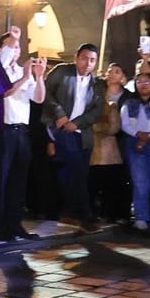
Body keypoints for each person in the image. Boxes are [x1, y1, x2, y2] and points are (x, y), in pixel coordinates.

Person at [0, 27, 45, 243]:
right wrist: (26, 75)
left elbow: (37, 98)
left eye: (18, 46)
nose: (16, 50)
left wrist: (37, 77)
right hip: (2, 131)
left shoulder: (20, 70)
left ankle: (15, 223)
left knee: (18, 180)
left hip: (21, 130)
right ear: (0, 49)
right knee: (0, 180)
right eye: (11, 46)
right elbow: (6, 91)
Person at [45, 43, 103, 229]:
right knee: (72, 172)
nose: (88, 63)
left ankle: (74, 211)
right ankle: (83, 214)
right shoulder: (62, 72)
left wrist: (77, 123)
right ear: (77, 57)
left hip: (82, 134)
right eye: (85, 58)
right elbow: (46, 94)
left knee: (80, 173)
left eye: (92, 60)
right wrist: (60, 114)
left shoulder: (97, 83)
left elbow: (97, 110)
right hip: (60, 130)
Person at [110, 60, 150, 230]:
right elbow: (125, 124)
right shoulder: (130, 103)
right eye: (139, 82)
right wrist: (139, 136)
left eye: (146, 82)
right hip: (134, 143)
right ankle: (141, 216)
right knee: (139, 181)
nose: (143, 85)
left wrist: (149, 136)